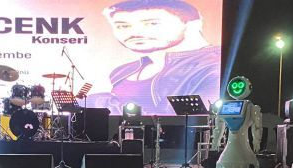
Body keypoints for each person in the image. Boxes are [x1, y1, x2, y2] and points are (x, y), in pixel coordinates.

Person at [87, 0, 221, 116]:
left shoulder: (215, 67)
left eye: (152, 23)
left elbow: (180, 121)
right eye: (123, 26)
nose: (135, 33)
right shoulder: (123, 71)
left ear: (193, 24)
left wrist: (99, 100)